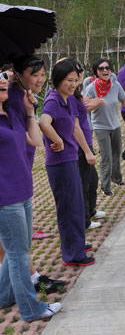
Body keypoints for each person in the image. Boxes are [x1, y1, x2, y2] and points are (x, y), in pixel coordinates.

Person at [0, 68, 61, 321]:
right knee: (18, 255)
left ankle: (3, 297)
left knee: (18, 250)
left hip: (23, 191)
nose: (3, 83)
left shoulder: (9, 114)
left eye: (4, 82)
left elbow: (35, 140)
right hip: (5, 198)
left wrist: (29, 111)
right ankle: (30, 309)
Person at [39, 59, 96, 266]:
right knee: (68, 208)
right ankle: (72, 254)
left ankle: (77, 245)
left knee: (77, 205)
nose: (72, 84)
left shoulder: (66, 98)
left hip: (70, 158)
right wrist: (57, 140)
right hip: (59, 163)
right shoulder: (53, 99)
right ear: (57, 79)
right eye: (68, 80)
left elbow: (74, 127)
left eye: (75, 80)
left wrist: (85, 150)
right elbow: (43, 122)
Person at [10, 56, 53, 240]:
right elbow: (30, 138)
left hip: (25, 160)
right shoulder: (11, 98)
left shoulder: (26, 96)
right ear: (18, 75)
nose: (40, 80)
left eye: (42, 74)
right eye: (34, 75)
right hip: (14, 165)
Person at [84, 58, 125, 196]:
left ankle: (117, 179)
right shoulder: (90, 88)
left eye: (107, 68)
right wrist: (95, 104)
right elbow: (83, 109)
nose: (105, 70)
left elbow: (123, 100)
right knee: (106, 157)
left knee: (116, 155)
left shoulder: (115, 86)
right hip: (101, 127)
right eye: (101, 69)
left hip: (116, 126)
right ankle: (105, 187)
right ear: (96, 72)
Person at [72, 63, 105, 230]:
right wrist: (95, 103)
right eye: (74, 74)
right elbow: (74, 122)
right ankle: (85, 220)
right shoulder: (67, 96)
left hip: (87, 142)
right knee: (84, 183)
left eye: (79, 74)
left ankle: (91, 210)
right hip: (80, 146)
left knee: (92, 179)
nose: (78, 78)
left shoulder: (76, 94)